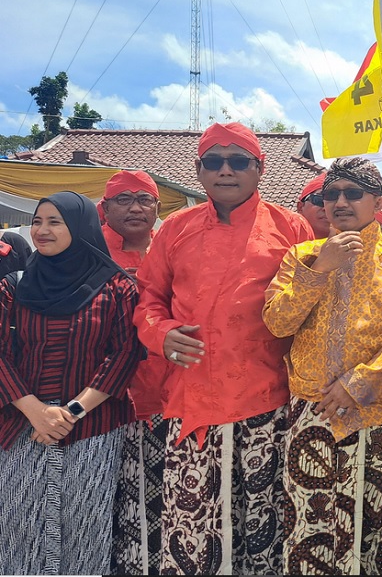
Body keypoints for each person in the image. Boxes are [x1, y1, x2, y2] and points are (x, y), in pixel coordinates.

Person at [133, 122, 312, 575]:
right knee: (191, 527)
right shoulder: (175, 228)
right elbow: (148, 298)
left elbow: (312, 305)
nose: (225, 170)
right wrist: (161, 333)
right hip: (190, 399)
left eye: (238, 162)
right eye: (214, 161)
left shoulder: (291, 226)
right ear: (198, 170)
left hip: (267, 401)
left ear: (260, 168)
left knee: (263, 526)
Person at [263, 157, 382, 575]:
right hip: (313, 416)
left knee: (379, 529)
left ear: (376, 202)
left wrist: (361, 382)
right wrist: (320, 268)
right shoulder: (301, 255)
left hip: (378, 415)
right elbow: (278, 321)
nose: (339, 201)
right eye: (329, 194)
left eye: (352, 193)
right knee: (310, 530)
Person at [0, 192, 144, 575]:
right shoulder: (13, 287)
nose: (42, 231)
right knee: (19, 528)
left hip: (92, 428)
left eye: (54, 222)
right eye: (37, 222)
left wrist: (70, 412)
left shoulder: (116, 288)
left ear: (79, 227)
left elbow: (125, 354)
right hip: (22, 426)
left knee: (84, 529)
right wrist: (37, 412)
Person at [99, 170, 171, 575]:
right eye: (123, 199)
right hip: (102, 401)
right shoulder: (86, 254)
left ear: (157, 209)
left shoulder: (172, 250)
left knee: (162, 496)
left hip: (166, 395)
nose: (135, 207)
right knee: (109, 498)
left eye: (144, 200)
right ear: (105, 208)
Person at [295, 173, 328, 238]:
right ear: (300, 207)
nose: (327, 208)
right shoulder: (282, 243)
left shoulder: (352, 245)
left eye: (334, 202)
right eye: (319, 200)